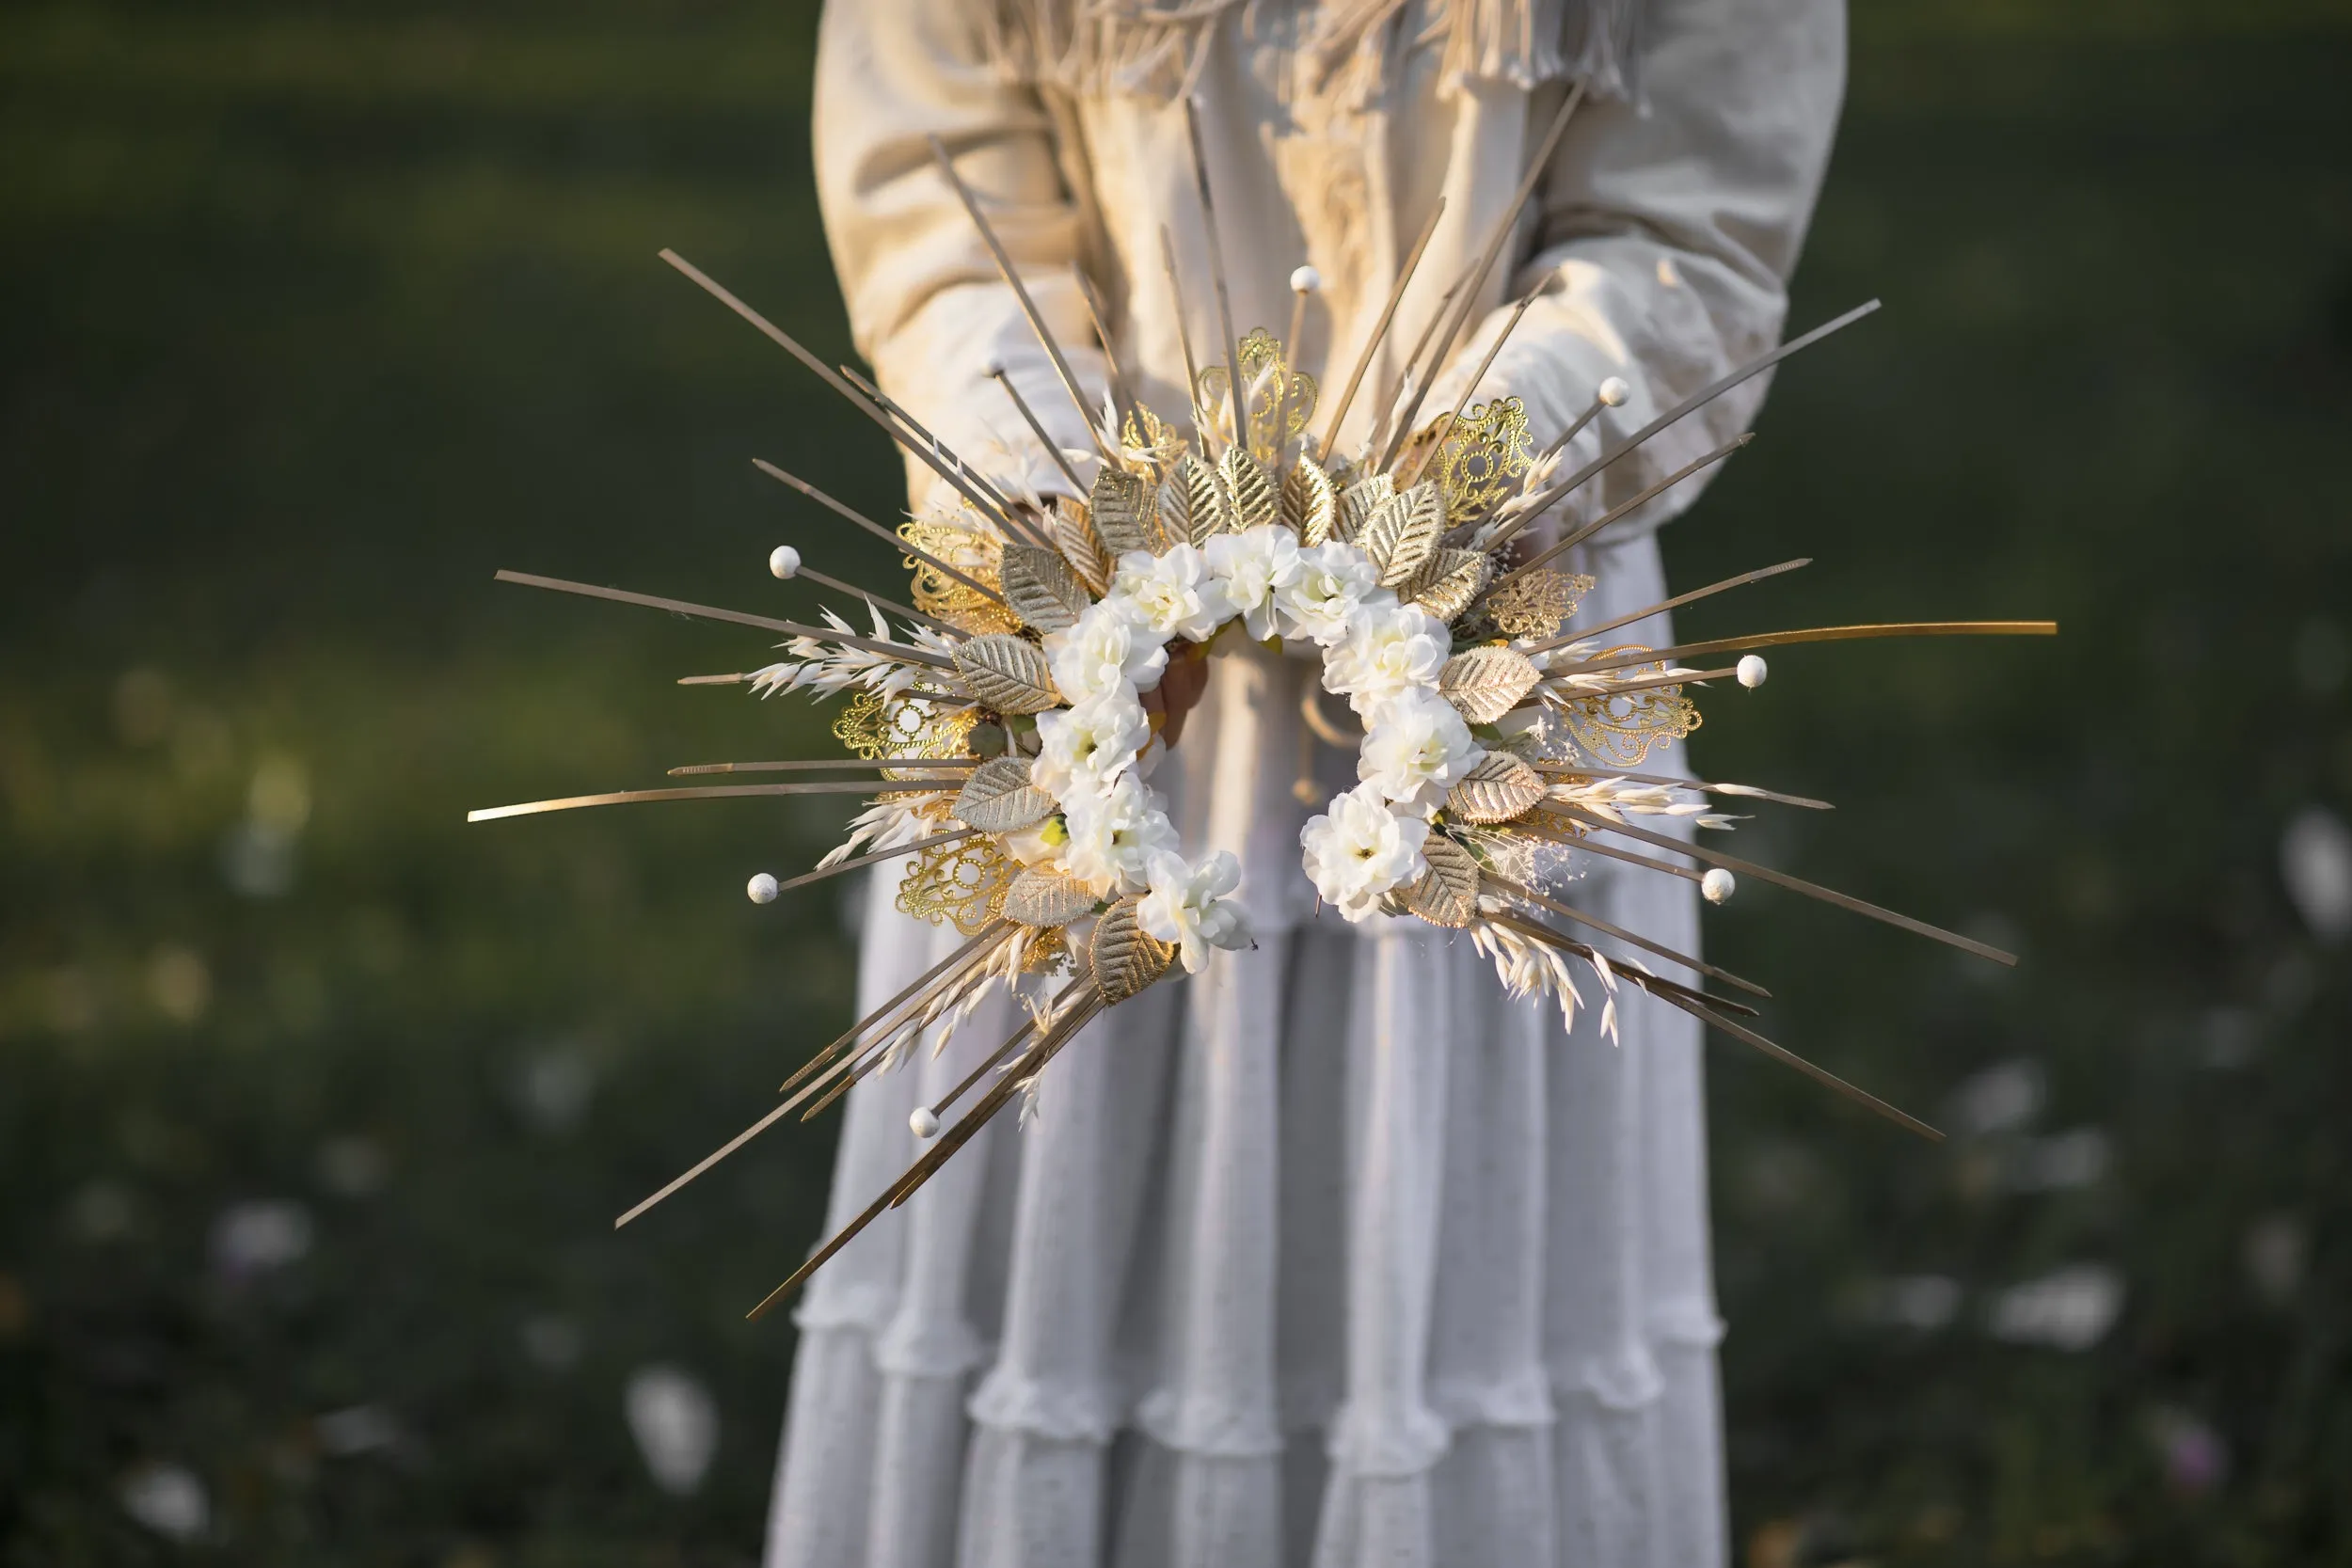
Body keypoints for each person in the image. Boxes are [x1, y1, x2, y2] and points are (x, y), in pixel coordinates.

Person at [766, 2, 1843, 1563]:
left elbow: (1687, 225)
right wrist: (1064, 531)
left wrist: (1444, 505)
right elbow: (936, 165)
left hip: (1492, 656)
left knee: (1435, 1273)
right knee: (1073, 1242)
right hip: (1106, 675)